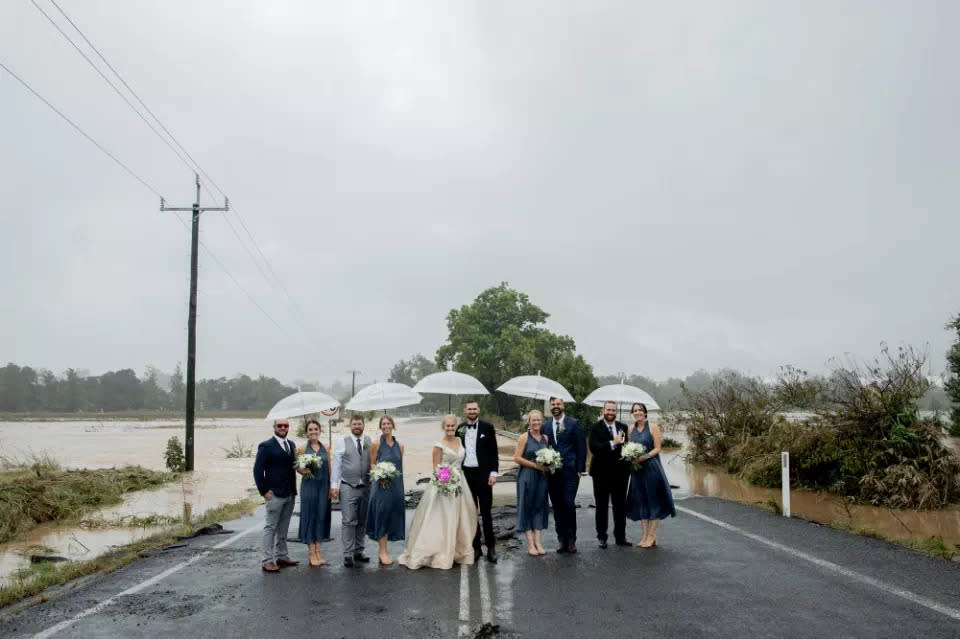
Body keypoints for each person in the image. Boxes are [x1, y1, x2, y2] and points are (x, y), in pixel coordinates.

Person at [398, 415, 478, 570]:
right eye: (447, 426)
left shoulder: (460, 441)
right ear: (443, 427)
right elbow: (436, 467)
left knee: (462, 517)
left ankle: (457, 550)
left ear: (456, 427)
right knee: (444, 517)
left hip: (460, 482)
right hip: (444, 484)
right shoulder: (438, 445)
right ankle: (440, 551)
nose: (450, 429)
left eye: (452, 426)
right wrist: (446, 481)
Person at [625, 403, 676, 548]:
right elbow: (629, 448)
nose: (637, 412)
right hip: (637, 470)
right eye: (635, 410)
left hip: (651, 468)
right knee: (641, 501)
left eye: (640, 410)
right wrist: (630, 456)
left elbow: (658, 448)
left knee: (653, 501)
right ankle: (645, 536)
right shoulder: (630, 429)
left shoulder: (653, 427)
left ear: (645, 413)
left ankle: (652, 535)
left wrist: (643, 457)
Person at [253, 419, 299, 572]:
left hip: (290, 492)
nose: (283, 428)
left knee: (284, 528)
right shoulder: (266, 446)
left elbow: (294, 465)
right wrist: (264, 492)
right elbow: (258, 470)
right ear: (274, 427)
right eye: (280, 426)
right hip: (274, 494)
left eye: (285, 425)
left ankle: (282, 556)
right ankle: (267, 560)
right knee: (271, 527)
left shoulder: (291, 445)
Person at [543, 397, 586, 553]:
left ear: (563, 406)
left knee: (568, 504)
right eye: (553, 404)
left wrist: (580, 469)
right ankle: (561, 540)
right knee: (557, 507)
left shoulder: (574, 423)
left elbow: (581, 447)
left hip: (570, 472)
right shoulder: (545, 425)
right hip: (552, 474)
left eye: (558, 404)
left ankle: (571, 540)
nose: (556, 406)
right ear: (550, 406)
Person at [459, 401, 499, 563]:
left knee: (487, 513)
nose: (472, 411)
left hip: (484, 475)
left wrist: (493, 473)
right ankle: (476, 548)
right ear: (465, 411)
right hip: (466, 476)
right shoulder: (459, 429)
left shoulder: (488, 428)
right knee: (471, 513)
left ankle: (491, 548)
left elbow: (494, 452)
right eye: (469, 409)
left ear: (479, 410)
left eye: (475, 408)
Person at [588, 401, 631, 548]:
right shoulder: (595, 428)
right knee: (601, 507)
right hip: (601, 474)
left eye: (613, 410)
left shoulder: (623, 427)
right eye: (608, 410)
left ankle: (620, 537)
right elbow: (595, 449)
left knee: (620, 507)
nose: (611, 412)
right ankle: (602, 537)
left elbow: (626, 449)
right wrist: (613, 443)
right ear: (603, 410)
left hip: (620, 475)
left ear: (616, 411)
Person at [331, 413, 372, 567]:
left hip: (366, 486)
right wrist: (334, 486)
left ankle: (359, 551)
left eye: (359, 424)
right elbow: (336, 464)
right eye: (354, 424)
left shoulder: (370, 441)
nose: (357, 426)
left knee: (362, 520)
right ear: (350, 426)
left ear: (363, 425)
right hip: (348, 485)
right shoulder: (342, 441)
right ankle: (348, 553)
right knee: (348, 520)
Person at [366, 415, 406, 565]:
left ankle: (386, 548)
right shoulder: (376, 443)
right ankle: (382, 551)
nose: (386, 426)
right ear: (380, 427)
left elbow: (399, 466)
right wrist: (379, 475)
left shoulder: (400, 446)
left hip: (396, 486)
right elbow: (372, 465)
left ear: (393, 425)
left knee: (392, 514)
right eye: (383, 424)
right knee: (381, 514)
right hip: (381, 485)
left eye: (389, 423)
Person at [513, 409, 550, 556]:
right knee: (527, 507)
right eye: (533, 420)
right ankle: (530, 543)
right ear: (528, 422)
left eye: (538, 420)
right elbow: (516, 458)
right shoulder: (523, 437)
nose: (536, 423)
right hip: (527, 475)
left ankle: (538, 542)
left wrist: (549, 464)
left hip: (542, 477)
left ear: (542, 421)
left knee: (539, 506)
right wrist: (535, 465)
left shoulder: (545, 438)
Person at [297, 419, 331, 567]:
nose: (313, 432)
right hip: (309, 486)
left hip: (324, 486)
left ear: (319, 430)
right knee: (310, 516)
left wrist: (332, 487)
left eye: (315, 429)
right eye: (310, 430)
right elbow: (298, 468)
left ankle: (318, 551)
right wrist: (303, 470)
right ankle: (311, 553)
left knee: (321, 516)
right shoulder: (302, 448)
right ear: (306, 432)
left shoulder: (326, 447)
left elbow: (329, 467)